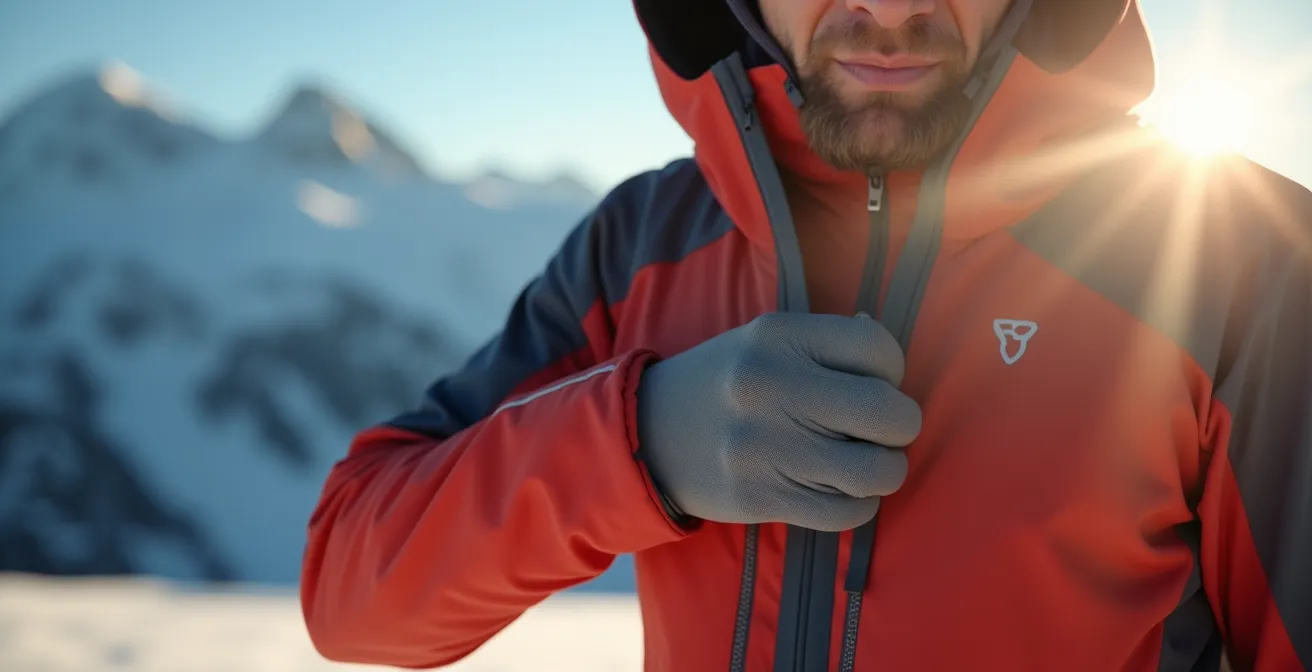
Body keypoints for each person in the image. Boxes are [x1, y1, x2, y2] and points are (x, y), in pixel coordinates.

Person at [299, 0, 1311, 670]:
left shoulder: (1230, 258)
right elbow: (355, 592)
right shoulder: (639, 248)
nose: (888, 6)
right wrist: (637, 442)